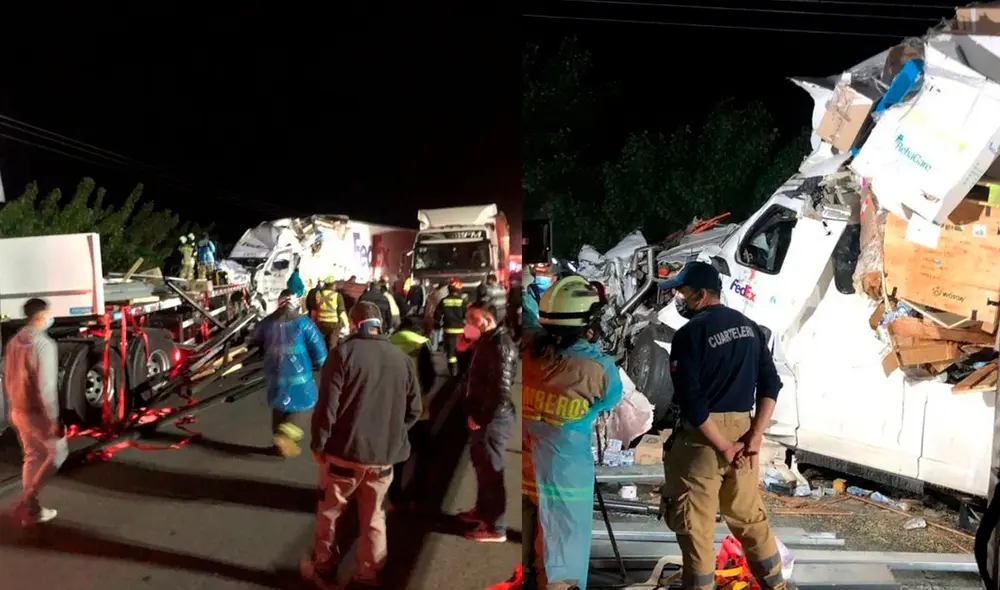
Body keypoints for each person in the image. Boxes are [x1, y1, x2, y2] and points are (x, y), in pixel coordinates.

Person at [655, 261, 789, 590]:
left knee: (695, 528)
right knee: (749, 519)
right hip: (745, 434)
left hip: (704, 441)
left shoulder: (689, 335)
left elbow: (692, 401)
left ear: (702, 295)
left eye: (683, 293)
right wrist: (754, 437)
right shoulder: (751, 328)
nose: (680, 299)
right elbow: (771, 385)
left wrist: (724, 446)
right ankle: (777, 586)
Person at [302, 301, 423, 589]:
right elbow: (415, 409)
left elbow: (326, 408)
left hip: (343, 455)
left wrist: (318, 444)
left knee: (330, 513)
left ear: (354, 323)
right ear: (379, 325)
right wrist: (392, 434)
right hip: (382, 459)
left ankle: (324, 569)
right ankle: (368, 576)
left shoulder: (342, 354)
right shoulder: (401, 359)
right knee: (374, 518)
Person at [522, 275, 623, 590]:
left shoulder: (527, 352)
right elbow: (611, 398)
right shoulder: (598, 369)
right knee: (562, 556)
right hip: (566, 478)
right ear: (587, 326)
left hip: (527, 468)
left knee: (530, 544)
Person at [2, 298, 67, 526]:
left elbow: (7, 376)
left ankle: (31, 510)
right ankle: (28, 500)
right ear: (40, 316)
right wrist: (53, 420)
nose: (51, 318)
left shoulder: (14, 341)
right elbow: (46, 387)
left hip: (18, 410)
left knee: (33, 456)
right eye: (49, 314)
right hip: (37, 414)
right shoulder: (43, 344)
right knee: (58, 454)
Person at [458, 307, 517, 543]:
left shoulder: (500, 345)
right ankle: (483, 512)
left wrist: (481, 418)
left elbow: (500, 391)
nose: (468, 323)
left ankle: (497, 527)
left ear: (488, 318)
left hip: (493, 419)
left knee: (492, 471)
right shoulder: (486, 341)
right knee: (482, 467)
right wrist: (463, 349)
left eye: (473, 318)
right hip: (482, 415)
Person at [251, 290, 328, 458]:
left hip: (274, 374)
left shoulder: (267, 322)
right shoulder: (303, 323)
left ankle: (278, 446)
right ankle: (284, 436)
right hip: (298, 376)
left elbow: (253, 339)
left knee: (279, 406)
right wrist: (323, 365)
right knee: (304, 405)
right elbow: (318, 348)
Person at [387, 316, 436, 510]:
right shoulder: (421, 344)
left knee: (397, 456)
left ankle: (395, 497)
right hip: (417, 409)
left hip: (392, 408)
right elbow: (428, 376)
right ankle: (419, 495)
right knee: (424, 453)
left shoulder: (387, 343)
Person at [434, 278, 467, 377]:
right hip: (461, 331)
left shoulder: (444, 301)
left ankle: (453, 371)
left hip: (448, 331)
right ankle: (461, 371)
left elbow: (437, 315)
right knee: (461, 351)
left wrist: (437, 325)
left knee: (451, 353)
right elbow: (466, 315)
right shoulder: (462, 301)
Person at [314, 278, 350, 351]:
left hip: (320, 323)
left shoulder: (318, 294)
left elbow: (315, 308)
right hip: (333, 324)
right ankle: (330, 359)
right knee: (332, 345)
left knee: (320, 343)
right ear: (333, 285)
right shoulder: (337, 296)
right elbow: (341, 312)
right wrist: (347, 325)